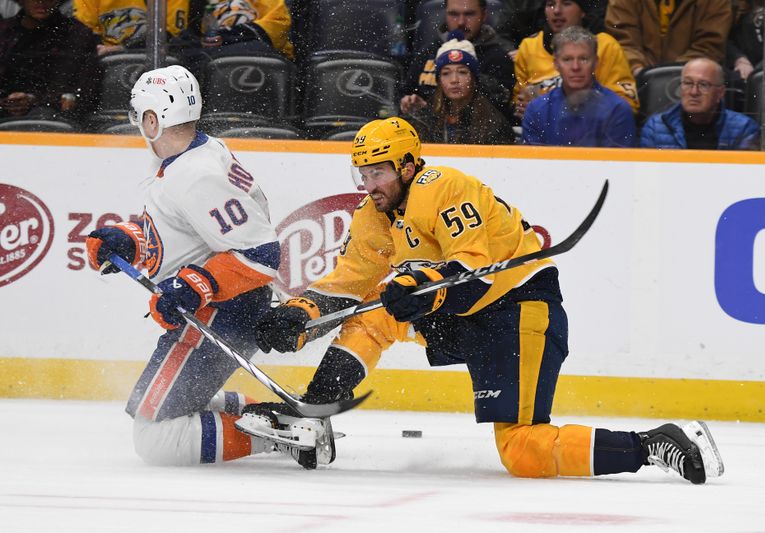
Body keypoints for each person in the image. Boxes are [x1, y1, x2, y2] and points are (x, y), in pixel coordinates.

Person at [243, 116, 724, 484]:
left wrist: (421, 288)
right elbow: (350, 279)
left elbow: (470, 271)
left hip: (517, 309)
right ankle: (313, 416)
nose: (369, 184)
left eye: (380, 172)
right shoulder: (376, 213)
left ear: (409, 165)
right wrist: (299, 313)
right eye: (363, 172)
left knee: (523, 451)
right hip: (459, 314)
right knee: (376, 313)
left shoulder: (446, 188)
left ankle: (653, 444)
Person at [84, 65, 327, 469]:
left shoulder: (196, 174)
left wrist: (194, 286)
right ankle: (279, 417)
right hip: (221, 311)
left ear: (153, 119)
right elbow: (183, 233)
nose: (136, 123)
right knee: (150, 407)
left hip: (220, 316)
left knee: (156, 437)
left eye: (139, 115)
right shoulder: (190, 154)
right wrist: (128, 240)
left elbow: (262, 253)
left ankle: (289, 431)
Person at [513, 0, 637, 119]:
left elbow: (628, 105)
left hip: (594, 133)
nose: (556, 10)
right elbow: (517, 99)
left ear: (583, 11)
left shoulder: (606, 45)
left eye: (567, 3)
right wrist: (523, 107)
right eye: (550, 4)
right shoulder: (528, 47)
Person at [521, 26, 636, 146]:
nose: (575, 67)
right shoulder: (536, 110)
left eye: (583, 59)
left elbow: (617, 163)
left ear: (596, 62)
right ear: (556, 64)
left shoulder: (617, 110)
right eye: (567, 59)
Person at [400, 0, 515, 120]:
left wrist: (432, 111)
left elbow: (503, 111)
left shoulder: (499, 58)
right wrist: (409, 103)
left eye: (469, 14)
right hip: (429, 132)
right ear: (445, 14)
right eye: (454, 14)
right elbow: (405, 93)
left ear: (484, 15)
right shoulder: (428, 52)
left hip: (479, 134)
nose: (461, 22)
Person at [74, 0, 294, 61]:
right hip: (123, 72)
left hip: (259, 66)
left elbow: (279, 22)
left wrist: (229, 37)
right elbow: (78, 36)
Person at [0, 0, 100, 122]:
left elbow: (85, 87)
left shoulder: (77, 33)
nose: (41, 2)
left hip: (53, 115)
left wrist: (34, 100)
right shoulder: (5, 32)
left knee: (44, 118)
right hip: (5, 108)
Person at [404, 36, 516, 144]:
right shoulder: (425, 120)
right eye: (446, 73)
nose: (454, 80)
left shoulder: (493, 124)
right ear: (439, 80)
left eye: (462, 72)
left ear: (474, 78)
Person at [639, 57, 759, 149]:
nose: (694, 92)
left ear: (720, 93)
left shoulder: (743, 129)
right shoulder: (655, 127)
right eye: (688, 83)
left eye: (703, 85)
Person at [604, 0, 732, 77]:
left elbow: (710, 45)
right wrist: (638, 68)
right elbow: (622, 39)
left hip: (694, 79)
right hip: (638, 77)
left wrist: (675, 74)